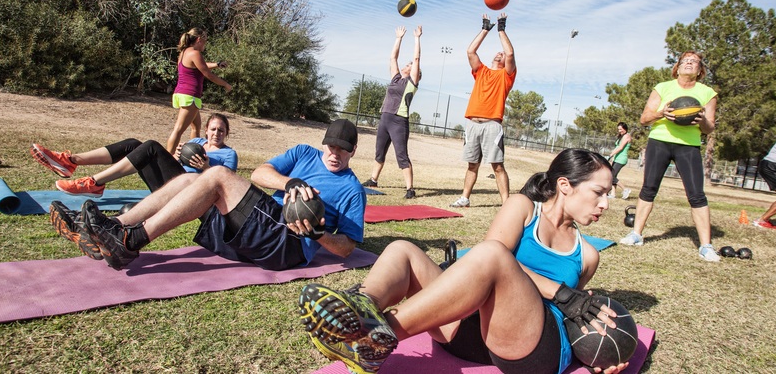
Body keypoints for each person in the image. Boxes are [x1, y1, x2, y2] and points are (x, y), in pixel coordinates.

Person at [298, 149, 626, 374]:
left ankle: (374, 339)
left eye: (608, 194)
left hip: (531, 348)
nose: (605, 204)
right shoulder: (523, 207)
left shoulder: (588, 255)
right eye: (599, 192)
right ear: (565, 186)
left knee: (492, 255)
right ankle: (361, 306)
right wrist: (562, 292)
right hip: (470, 336)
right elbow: (500, 257)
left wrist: (599, 350)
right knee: (402, 249)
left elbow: (572, 315)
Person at [68, 119, 365, 271]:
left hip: (288, 244)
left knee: (218, 175)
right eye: (330, 145)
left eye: (342, 149)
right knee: (188, 179)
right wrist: (289, 182)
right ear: (323, 142)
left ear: (353, 151)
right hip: (265, 222)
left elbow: (346, 248)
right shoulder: (304, 153)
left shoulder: (352, 190)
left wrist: (319, 233)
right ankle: (115, 227)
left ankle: (130, 241)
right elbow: (259, 174)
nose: (334, 153)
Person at [618, 51, 721, 262]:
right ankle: (636, 234)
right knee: (648, 189)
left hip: (688, 146)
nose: (690, 63)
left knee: (697, 195)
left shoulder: (708, 93)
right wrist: (661, 113)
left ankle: (706, 246)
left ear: (700, 70)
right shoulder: (663, 87)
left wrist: (701, 120)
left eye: (695, 62)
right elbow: (645, 118)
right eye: (686, 61)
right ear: (678, 67)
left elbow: (709, 128)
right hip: (660, 142)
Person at [31, 113, 238, 196]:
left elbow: (224, 187)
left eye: (221, 130)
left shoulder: (229, 155)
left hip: (186, 193)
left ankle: (94, 182)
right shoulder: (196, 142)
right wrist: (175, 156)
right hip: (169, 182)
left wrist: (206, 168)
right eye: (213, 129)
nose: (216, 133)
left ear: (226, 133)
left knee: (150, 146)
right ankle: (70, 161)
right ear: (206, 130)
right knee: (132, 144)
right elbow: (174, 163)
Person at [450, 13, 517, 208]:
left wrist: (501, 29)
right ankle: (465, 198)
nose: (500, 54)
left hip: (492, 126)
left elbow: (511, 54)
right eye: (498, 52)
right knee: (472, 165)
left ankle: (506, 204)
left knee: (497, 166)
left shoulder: (506, 76)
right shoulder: (481, 71)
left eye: (502, 54)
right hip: (473, 124)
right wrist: (485, 29)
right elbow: (470, 51)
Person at [362, 26, 422, 199]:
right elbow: (392, 57)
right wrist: (399, 38)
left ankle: (410, 189)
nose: (407, 64)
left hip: (398, 121)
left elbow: (417, 58)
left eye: (410, 65)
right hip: (385, 118)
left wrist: (417, 38)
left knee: (401, 155)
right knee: (379, 152)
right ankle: (373, 180)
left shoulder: (411, 82)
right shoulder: (396, 78)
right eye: (407, 64)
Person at [165, 28, 233, 155]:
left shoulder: (185, 52)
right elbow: (208, 74)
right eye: (205, 41)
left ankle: (192, 155)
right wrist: (225, 84)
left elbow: (202, 64)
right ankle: (168, 157)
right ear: (199, 39)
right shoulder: (195, 53)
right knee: (178, 129)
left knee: (196, 127)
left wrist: (217, 64)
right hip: (189, 95)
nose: (205, 45)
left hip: (183, 93)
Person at [606, 122, 633, 200]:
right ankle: (613, 194)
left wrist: (611, 155)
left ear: (625, 128)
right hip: (616, 158)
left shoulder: (627, 136)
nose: (619, 131)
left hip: (621, 159)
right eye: (618, 129)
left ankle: (625, 189)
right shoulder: (622, 137)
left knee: (612, 176)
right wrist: (612, 155)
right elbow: (617, 147)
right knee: (614, 175)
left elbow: (621, 147)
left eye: (621, 129)